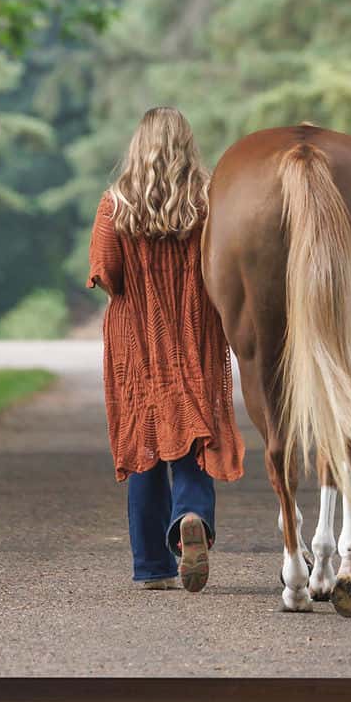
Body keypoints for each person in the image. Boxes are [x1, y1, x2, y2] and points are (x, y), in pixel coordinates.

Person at [88, 107, 245, 590]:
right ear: (187, 146)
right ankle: (191, 514)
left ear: (138, 145)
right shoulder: (210, 201)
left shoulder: (114, 205)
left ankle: (153, 566)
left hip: (135, 340)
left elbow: (107, 273)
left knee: (144, 443)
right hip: (194, 334)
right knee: (196, 433)